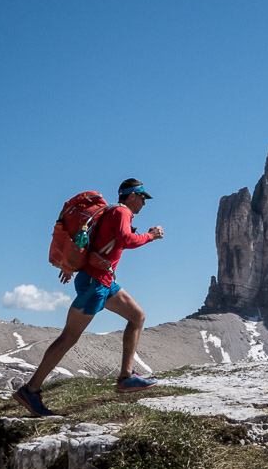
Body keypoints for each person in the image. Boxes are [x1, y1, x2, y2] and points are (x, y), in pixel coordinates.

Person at [15, 178, 165, 416]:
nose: (144, 204)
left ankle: (126, 377)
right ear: (132, 195)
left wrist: (73, 265)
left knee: (137, 316)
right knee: (68, 337)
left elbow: (93, 242)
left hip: (103, 281)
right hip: (95, 283)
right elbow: (126, 240)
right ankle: (30, 390)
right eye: (143, 198)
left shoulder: (110, 213)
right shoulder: (121, 211)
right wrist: (150, 236)